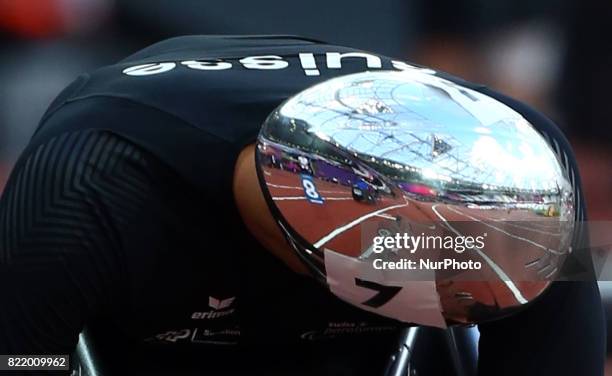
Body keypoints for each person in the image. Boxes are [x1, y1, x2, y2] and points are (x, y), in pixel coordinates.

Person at [0, 35, 605, 375]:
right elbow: (24, 362)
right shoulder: (84, 185)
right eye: (443, 279)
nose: (463, 303)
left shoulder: (526, 165)